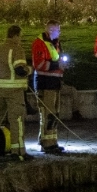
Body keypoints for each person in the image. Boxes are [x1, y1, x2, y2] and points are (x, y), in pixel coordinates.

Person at [0, 25, 31, 160]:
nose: (20, 39)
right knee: (17, 120)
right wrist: (29, 70)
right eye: (20, 36)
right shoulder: (16, 48)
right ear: (15, 35)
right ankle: (18, 151)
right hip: (14, 91)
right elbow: (20, 70)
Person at [31, 20, 67, 152]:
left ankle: (52, 141)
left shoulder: (55, 43)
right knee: (48, 114)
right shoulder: (39, 43)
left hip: (55, 82)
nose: (59, 32)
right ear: (50, 30)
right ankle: (46, 144)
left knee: (54, 114)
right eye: (58, 30)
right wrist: (58, 66)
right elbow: (39, 65)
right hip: (45, 83)